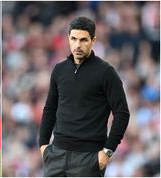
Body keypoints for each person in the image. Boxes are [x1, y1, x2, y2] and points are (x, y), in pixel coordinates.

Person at [39, 16, 130, 177]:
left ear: (93, 40)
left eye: (83, 40)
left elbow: (122, 112)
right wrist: (43, 145)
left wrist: (108, 151)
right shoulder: (59, 70)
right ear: (68, 38)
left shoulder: (106, 72)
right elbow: (50, 108)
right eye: (73, 39)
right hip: (56, 155)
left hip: (88, 158)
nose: (77, 45)